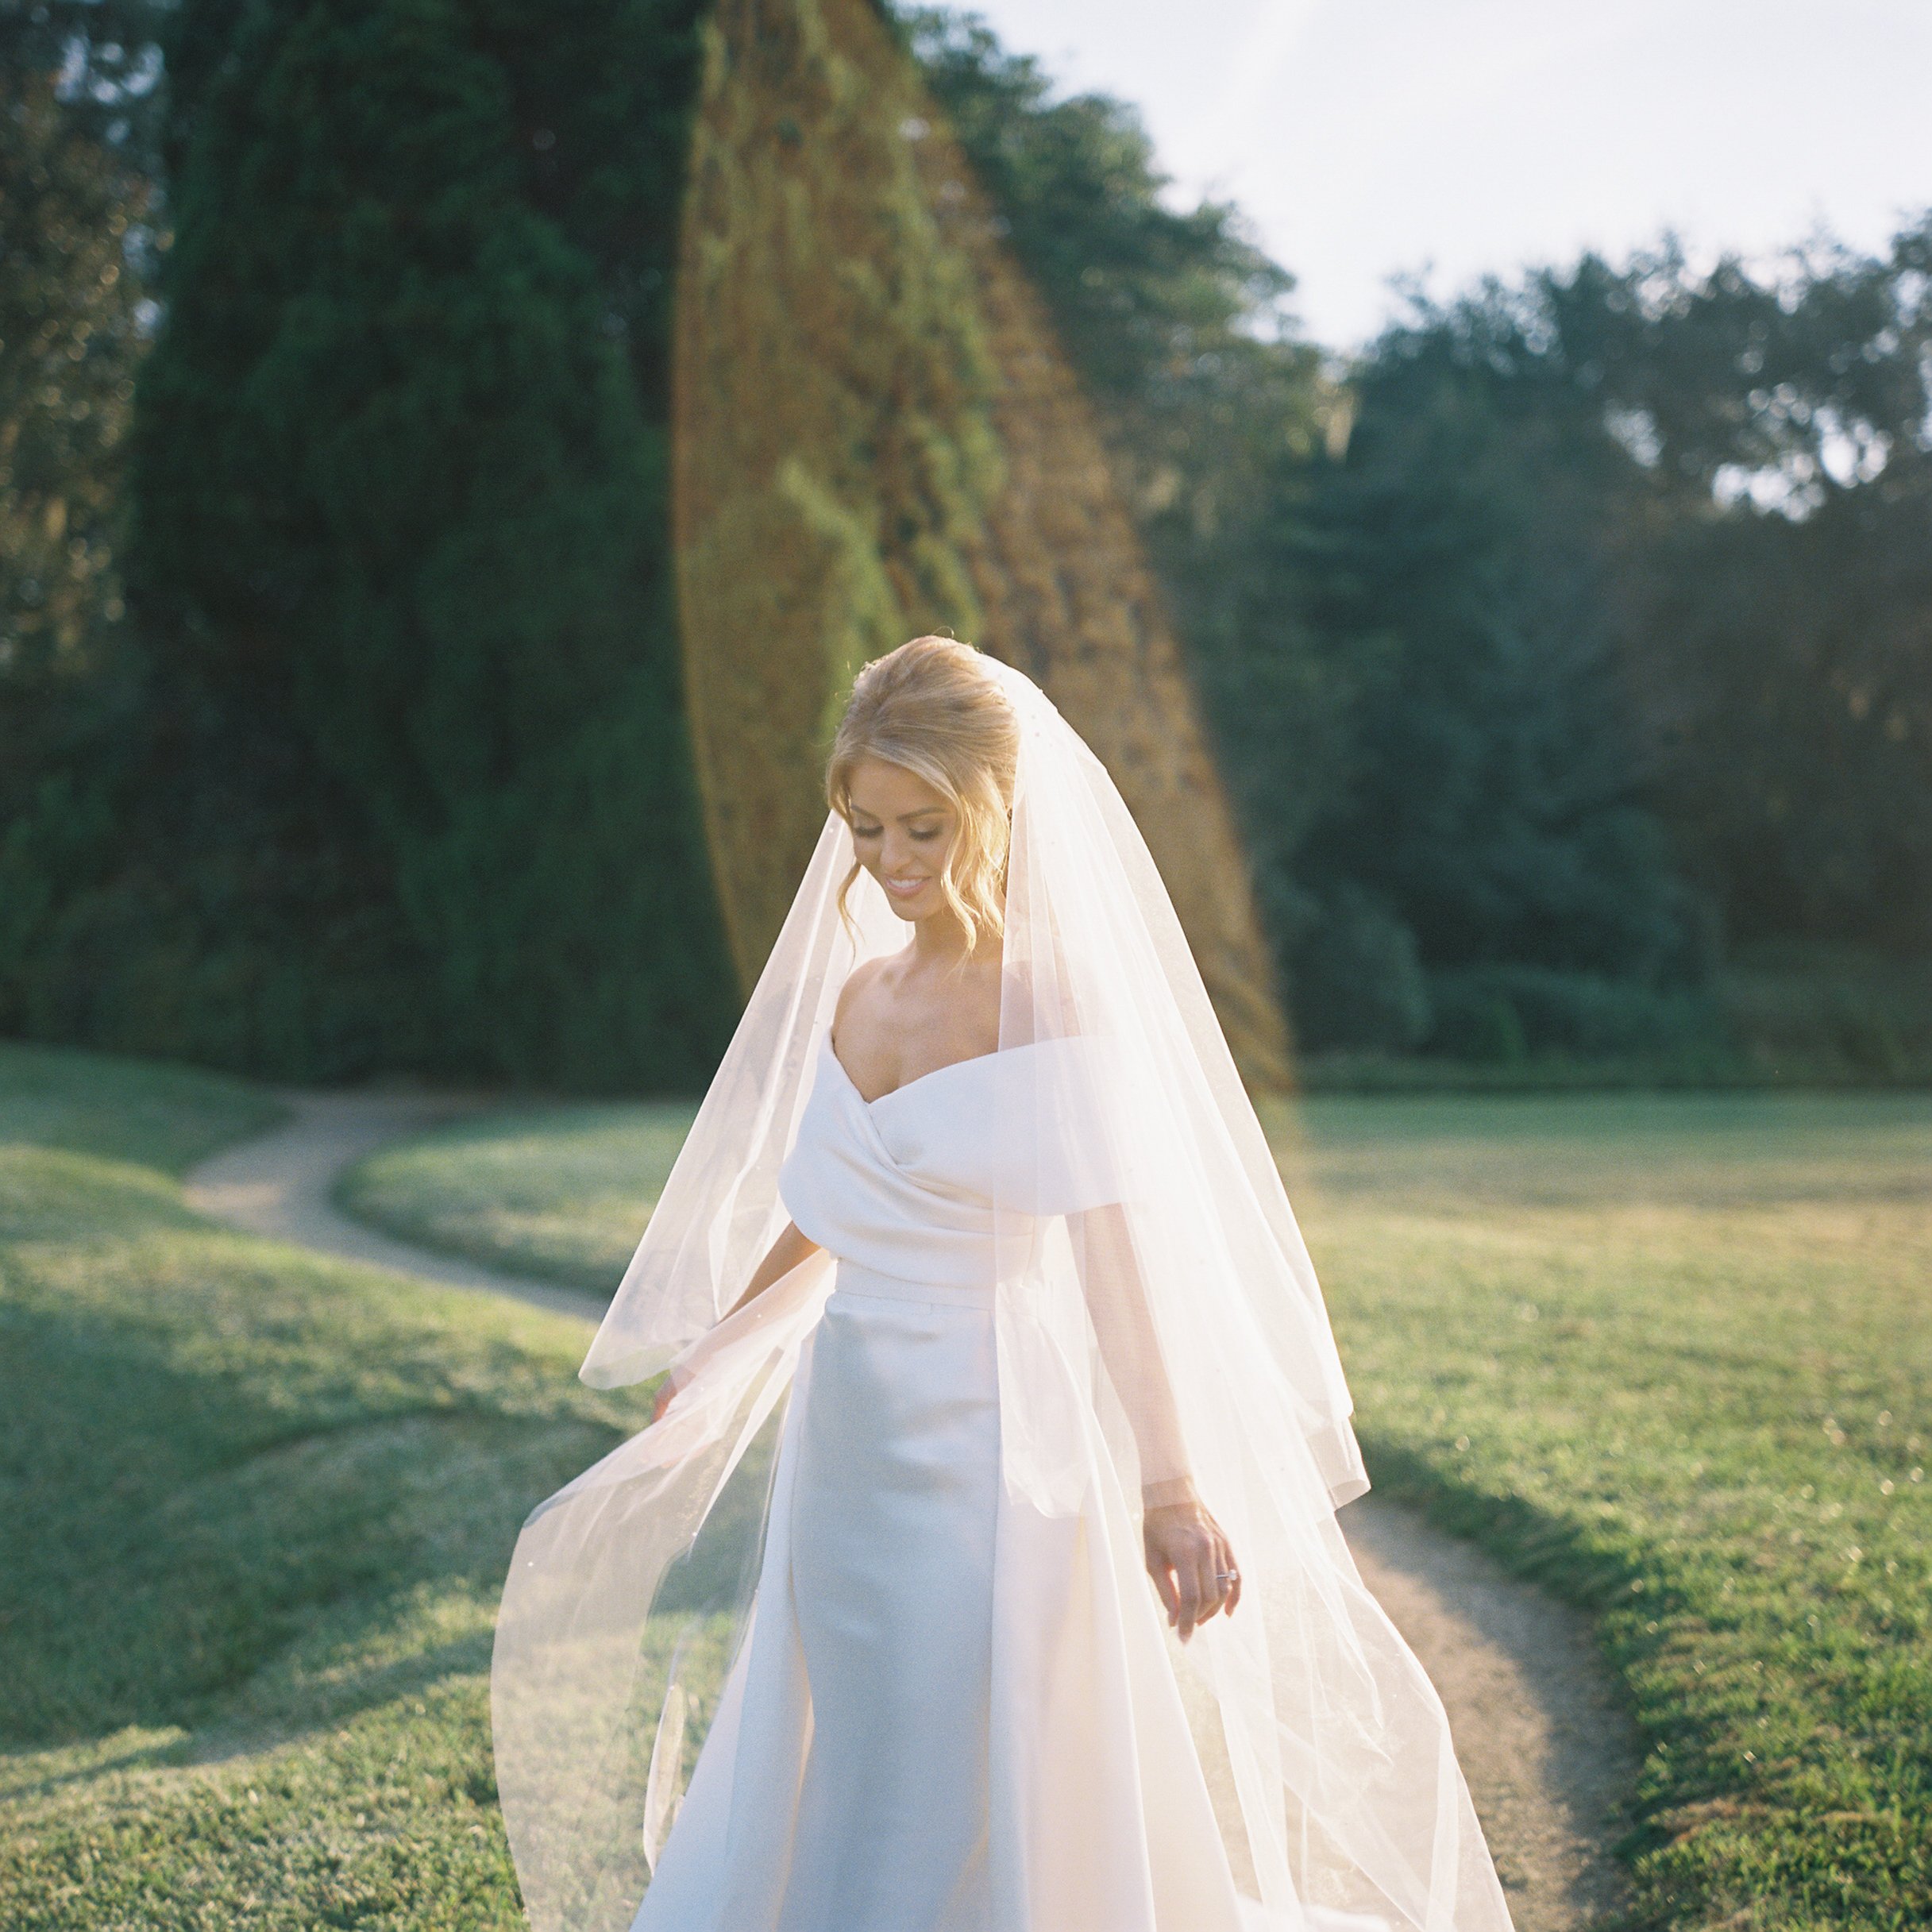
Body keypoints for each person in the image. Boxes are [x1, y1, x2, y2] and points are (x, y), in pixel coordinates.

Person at [492, 638, 1516, 1932]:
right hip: (849, 1430)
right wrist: (722, 1349)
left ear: (995, 811)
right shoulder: (860, 995)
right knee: (857, 1712)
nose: (890, 859)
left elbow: (1112, 1253)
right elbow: (824, 1208)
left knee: (972, 1720)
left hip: (991, 1428)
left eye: (924, 825)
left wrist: (1170, 1484)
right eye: (864, 826)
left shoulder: (1053, 1001)